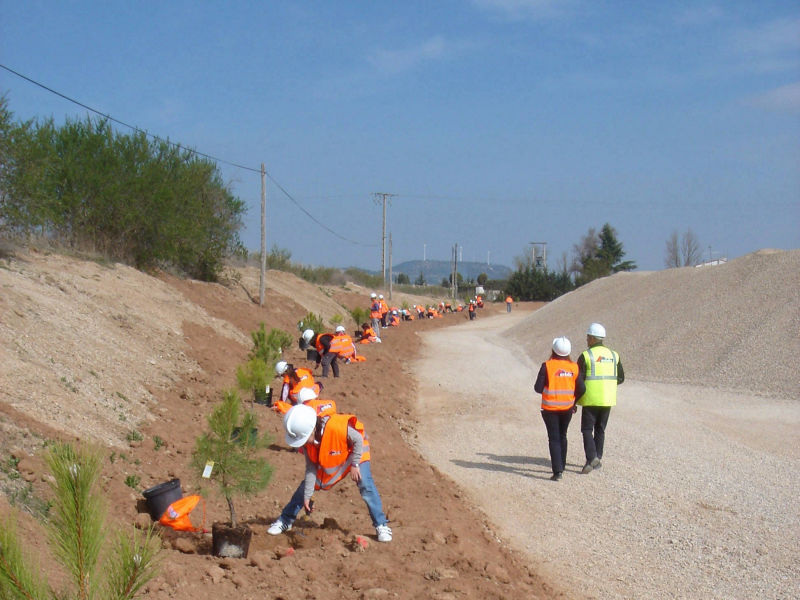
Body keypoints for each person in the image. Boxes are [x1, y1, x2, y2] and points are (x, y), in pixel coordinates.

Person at [268, 404, 393, 543]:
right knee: (305, 489)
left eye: (303, 439)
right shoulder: (308, 442)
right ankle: (286, 519)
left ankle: (381, 525)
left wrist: (355, 464)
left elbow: (358, 439)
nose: (302, 443)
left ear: (312, 430)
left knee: (365, 483)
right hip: (335, 456)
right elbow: (311, 469)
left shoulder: (335, 428)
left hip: (356, 452)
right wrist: (307, 496)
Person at [533, 337, 585, 481]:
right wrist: (573, 402)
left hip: (550, 409)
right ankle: (562, 465)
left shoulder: (547, 366)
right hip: (567, 408)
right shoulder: (574, 367)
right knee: (563, 435)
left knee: (554, 438)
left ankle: (557, 472)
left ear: (553, 350)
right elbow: (582, 388)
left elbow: (538, 388)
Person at [576, 323, 624, 474]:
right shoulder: (614, 355)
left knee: (586, 429)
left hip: (591, 398)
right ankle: (598, 457)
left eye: (587, 337)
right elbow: (621, 377)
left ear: (591, 338)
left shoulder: (586, 355)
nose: (586, 340)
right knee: (600, 429)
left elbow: (578, 380)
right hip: (608, 398)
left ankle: (591, 458)